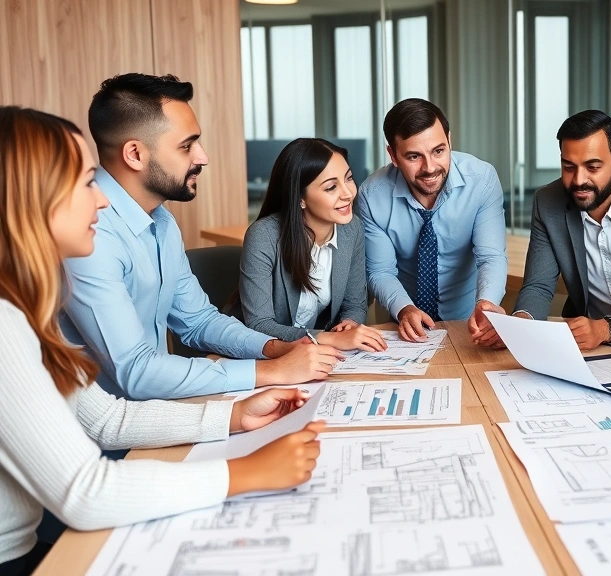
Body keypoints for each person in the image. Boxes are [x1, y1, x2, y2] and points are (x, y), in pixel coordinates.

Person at [0, 106, 325, 575]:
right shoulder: (6, 321)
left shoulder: (28, 309)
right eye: (86, 182)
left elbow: (106, 419)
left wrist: (234, 414)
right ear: (31, 198)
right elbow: (86, 493)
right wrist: (248, 472)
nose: (103, 201)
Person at [59, 73, 342, 401]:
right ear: (135, 154)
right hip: (105, 434)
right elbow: (136, 371)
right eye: (186, 146)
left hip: (156, 411)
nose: (202, 157)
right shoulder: (89, 233)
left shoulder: (162, 222)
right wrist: (271, 371)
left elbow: (198, 321)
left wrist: (276, 348)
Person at [479, 110, 611, 351]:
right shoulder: (547, 202)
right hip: (587, 345)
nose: (578, 180)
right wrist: (522, 325)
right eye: (568, 167)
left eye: (593, 167)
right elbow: (538, 286)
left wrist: (606, 328)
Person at [356, 98, 508, 342]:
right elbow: (381, 271)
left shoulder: (482, 180)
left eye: (438, 151)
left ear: (449, 140)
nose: (430, 168)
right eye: (414, 157)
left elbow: (491, 256)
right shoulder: (371, 195)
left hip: (467, 323)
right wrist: (404, 309)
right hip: (401, 325)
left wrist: (487, 303)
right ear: (393, 155)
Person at [239, 138, 386, 353]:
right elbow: (259, 325)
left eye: (349, 179)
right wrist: (328, 339)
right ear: (300, 198)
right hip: (263, 354)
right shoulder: (264, 236)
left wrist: (350, 324)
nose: (348, 193)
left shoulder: (352, 229)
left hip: (316, 356)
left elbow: (354, 304)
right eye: (331, 187)